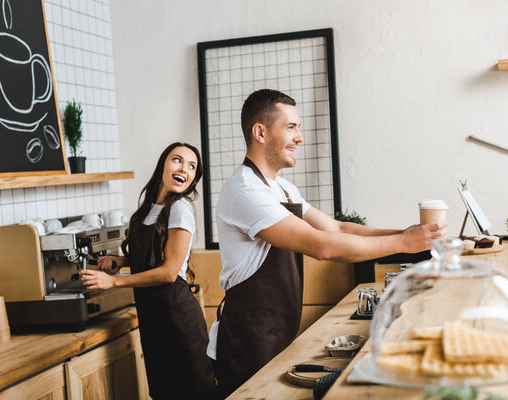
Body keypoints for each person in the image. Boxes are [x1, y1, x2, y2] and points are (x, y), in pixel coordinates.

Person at [207, 89, 448, 397]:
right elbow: (324, 246)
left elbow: (336, 228)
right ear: (260, 132)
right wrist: (403, 242)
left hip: (275, 332)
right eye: (291, 127)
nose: (300, 137)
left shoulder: (282, 188)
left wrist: (409, 234)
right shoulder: (245, 192)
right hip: (245, 342)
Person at [80, 142, 215, 400]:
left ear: (193, 179)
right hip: (154, 318)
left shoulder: (180, 208)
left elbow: (168, 272)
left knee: (192, 393)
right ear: (163, 163)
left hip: (177, 318)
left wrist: (114, 282)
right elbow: (153, 254)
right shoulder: (150, 207)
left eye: (191, 167)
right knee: (164, 392)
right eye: (177, 160)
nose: (184, 169)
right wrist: (122, 261)